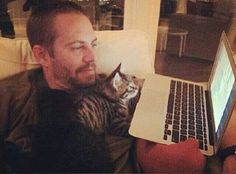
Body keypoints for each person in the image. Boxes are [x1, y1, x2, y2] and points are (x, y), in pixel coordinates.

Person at [0, 1, 234, 173]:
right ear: (42, 54)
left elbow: (224, 113)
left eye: (93, 44)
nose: (92, 57)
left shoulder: (108, 80)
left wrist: (231, 154)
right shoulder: (15, 95)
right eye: (77, 47)